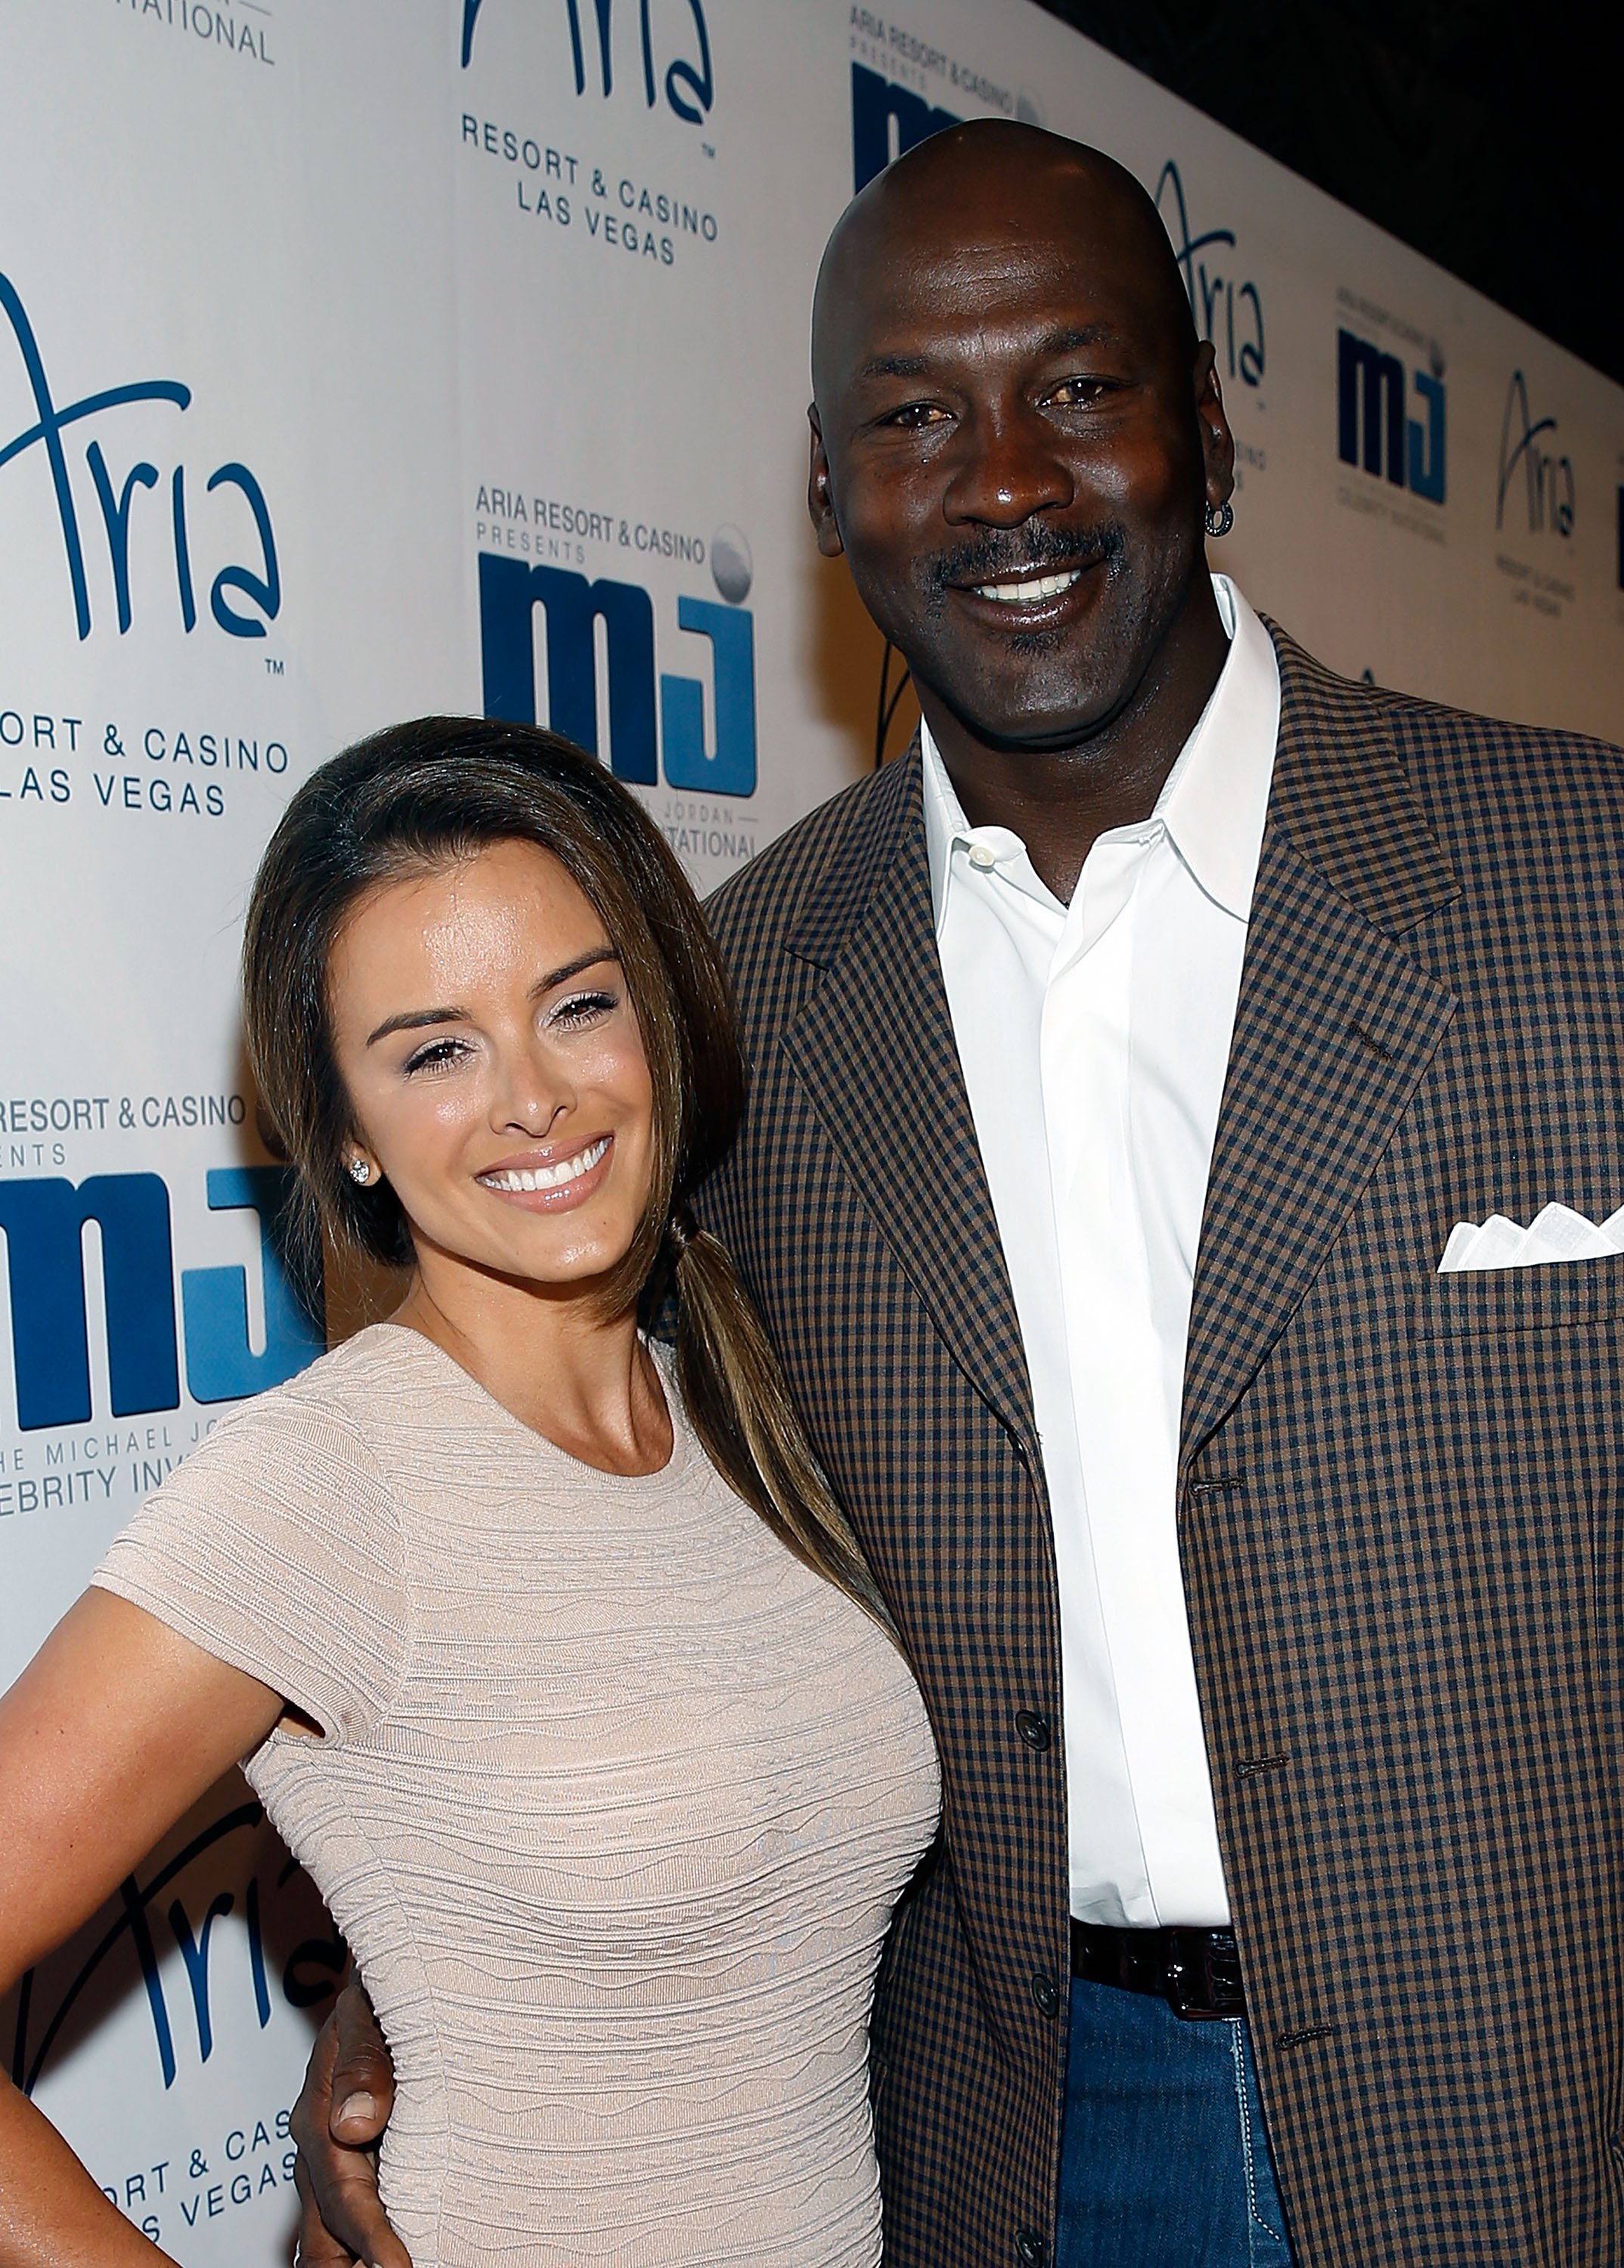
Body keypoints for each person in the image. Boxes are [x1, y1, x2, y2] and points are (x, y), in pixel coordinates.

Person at [299, 118, 1624, 2268]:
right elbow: (563, 1511)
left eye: (1076, 391)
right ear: (828, 494)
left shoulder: (1579, 884)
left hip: (1541, 2098)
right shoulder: (720, 1020)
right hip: (1005, 2137)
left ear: (1202, 429)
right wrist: (427, 1946)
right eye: (913, 418)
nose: (1002, 480)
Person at [0, 720, 940, 2268]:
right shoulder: (327, 1483)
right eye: (435, 1050)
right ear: (349, 1135)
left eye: (578, 1005)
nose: (534, 1097)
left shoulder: (738, 1394)